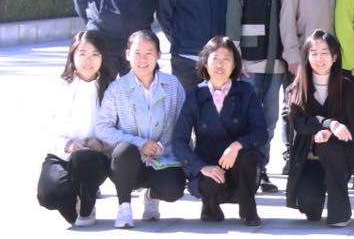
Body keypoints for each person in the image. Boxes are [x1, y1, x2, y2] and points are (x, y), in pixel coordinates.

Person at [171, 36, 267, 226]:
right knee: (208, 181)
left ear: (235, 64)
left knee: (248, 158)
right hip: (209, 165)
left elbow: (261, 132)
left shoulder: (246, 91)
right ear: (205, 63)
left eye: (226, 59)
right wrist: (201, 167)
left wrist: (238, 145)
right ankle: (210, 205)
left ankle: (248, 207)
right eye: (215, 58)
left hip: (240, 164)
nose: (220, 64)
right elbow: (179, 141)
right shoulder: (195, 95)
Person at [96, 30, 187, 228]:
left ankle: (151, 196)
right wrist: (140, 143)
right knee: (125, 150)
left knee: (174, 189)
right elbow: (102, 127)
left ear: (158, 55)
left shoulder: (173, 85)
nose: (142, 59)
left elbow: (184, 124)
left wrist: (168, 148)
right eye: (137, 53)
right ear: (127, 54)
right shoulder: (116, 89)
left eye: (149, 53)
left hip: (163, 159)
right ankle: (124, 206)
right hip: (128, 164)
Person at [225, 0, 289, 192]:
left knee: (270, 119)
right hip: (248, 63)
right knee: (246, 117)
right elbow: (232, 24)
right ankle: (243, 170)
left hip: (277, 61)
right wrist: (235, 60)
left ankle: (261, 170)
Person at [37, 30, 116, 227]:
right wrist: (67, 145)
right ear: (72, 55)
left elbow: (120, 126)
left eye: (95, 54)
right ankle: (75, 206)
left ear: (102, 58)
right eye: (82, 54)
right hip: (61, 154)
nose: (88, 60)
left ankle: (87, 208)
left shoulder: (111, 88)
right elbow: (46, 127)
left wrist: (103, 143)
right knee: (48, 195)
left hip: (94, 158)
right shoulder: (59, 86)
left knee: (83, 157)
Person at [283, 29, 354, 226]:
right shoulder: (295, 89)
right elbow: (298, 122)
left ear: (335, 56)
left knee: (328, 145)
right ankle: (318, 189)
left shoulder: (347, 88)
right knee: (309, 204)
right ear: (307, 57)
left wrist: (329, 134)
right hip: (309, 160)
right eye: (313, 53)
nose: (319, 58)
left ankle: (340, 213)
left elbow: (350, 126)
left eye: (325, 52)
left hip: (339, 156)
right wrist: (326, 124)